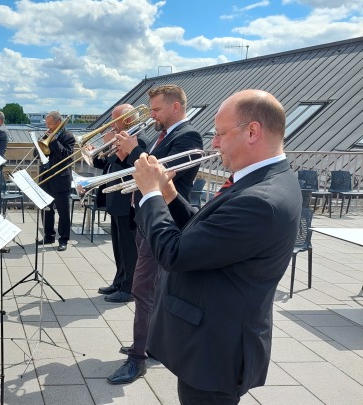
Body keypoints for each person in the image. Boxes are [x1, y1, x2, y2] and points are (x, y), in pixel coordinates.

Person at [131, 89, 301, 404]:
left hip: (215, 352)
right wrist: (169, 195)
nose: (214, 143)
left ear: (253, 132)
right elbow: (208, 232)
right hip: (213, 339)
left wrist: (151, 194)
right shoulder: (263, 179)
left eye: (220, 134)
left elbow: (174, 253)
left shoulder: (260, 199)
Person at [107, 85, 203, 385]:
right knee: (154, 292)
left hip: (164, 223)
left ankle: (138, 359)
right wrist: (124, 153)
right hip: (147, 220)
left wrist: (135, 149)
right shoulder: (165, 136)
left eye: (157, 109)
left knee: (143, 291)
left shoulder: (187, 136)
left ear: (176, 107)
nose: (152, 116)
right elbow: (141, 171)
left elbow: (161, 175)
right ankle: (152, 344)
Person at [91, 104, 147, 303]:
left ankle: (128, 288)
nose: (111, 125)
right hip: (115, 200)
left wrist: (114, 148)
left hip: (127, 201)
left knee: (128, 247)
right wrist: (97, 152)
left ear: (129, 120)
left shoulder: (139, 141)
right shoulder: (120, 139)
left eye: (115, 120)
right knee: (118, 246)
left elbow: (133, 166)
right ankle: (118, 280)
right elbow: (109, 164)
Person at [38, 111, 76, 251]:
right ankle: (49, 236)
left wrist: (53, 141)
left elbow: (66, 156)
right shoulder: (47, 134)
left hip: (60, 179)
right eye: (47, 124)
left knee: (63, 211)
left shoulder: (68, 137)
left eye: (50, 124)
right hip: (46, 178)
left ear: (58, 123)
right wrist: (42, 144)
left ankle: (63, 239)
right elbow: (38, 153)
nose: (48, 127)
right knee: (47, 209)